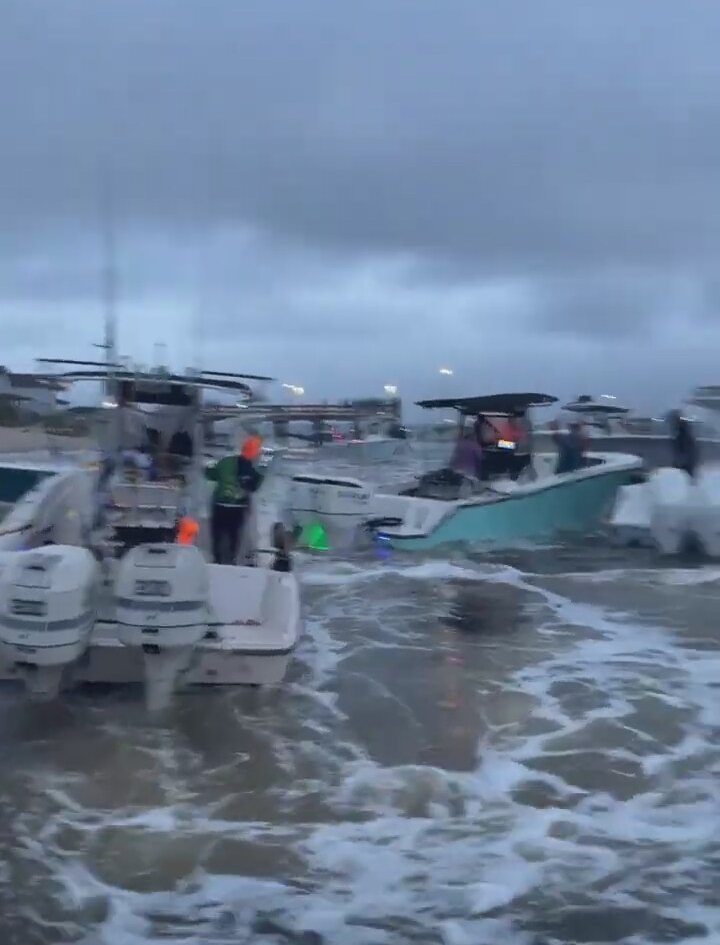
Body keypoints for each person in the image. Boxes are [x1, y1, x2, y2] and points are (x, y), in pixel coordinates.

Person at [205, 435, 264, 564]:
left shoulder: (225, 462)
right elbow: (254, 487)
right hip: (238, 507)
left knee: (217, 532)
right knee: (234, 533)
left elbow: (211, 474)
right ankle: (231, 557)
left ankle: (216, 557)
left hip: (220, 504)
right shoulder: (253, 468)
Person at [667, 409, 699, 477]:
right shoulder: (683, 432)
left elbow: (686, 449)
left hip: (685, 463)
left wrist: (679, 462)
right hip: (686, 462)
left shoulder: (682, 434)